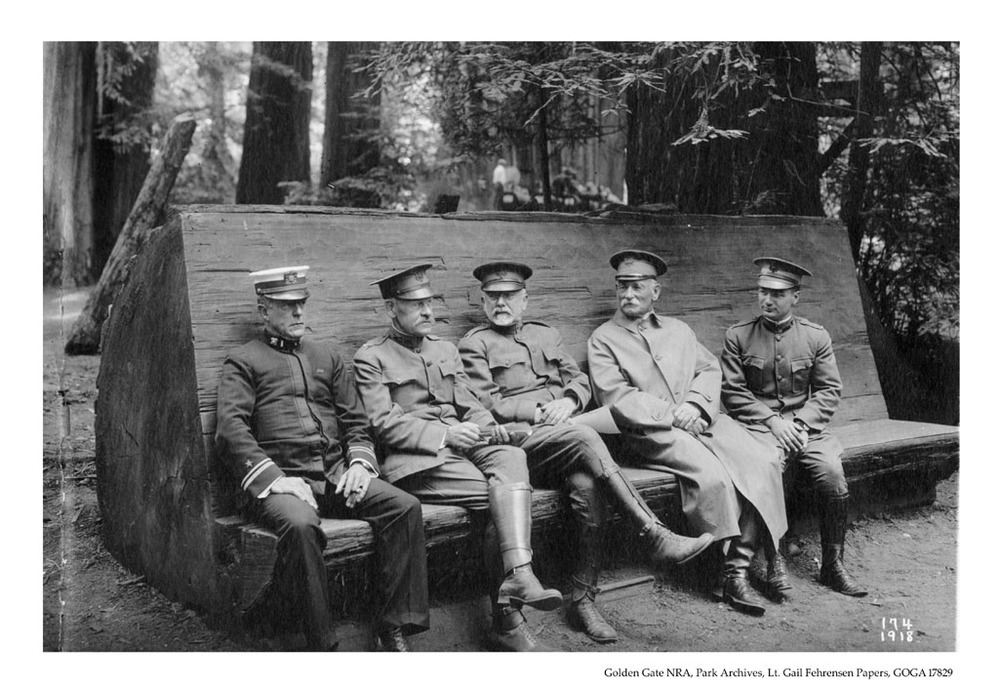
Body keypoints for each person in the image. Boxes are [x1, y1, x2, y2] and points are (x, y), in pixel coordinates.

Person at [458, 262, 713, 643]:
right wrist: (539, 411)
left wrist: (568, 401)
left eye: (509, 296)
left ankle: (583, 600)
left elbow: (577, 379)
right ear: (482, 302)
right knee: (584, 436)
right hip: (517, 445)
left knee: (589, 489)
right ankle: (653, 533)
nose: (500, 303)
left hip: (559, 441)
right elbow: (486, 402)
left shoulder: (546, 334)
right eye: (492, 297)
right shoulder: (474, 344)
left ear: (525, 300)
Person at [215, 266, 430, 652]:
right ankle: (321, 645)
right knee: (300, 527)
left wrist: (359, 465)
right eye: (287, 306)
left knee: (403, 507)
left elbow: (356, 422)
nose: (299, 312)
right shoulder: (244, 361)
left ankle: (393, 627)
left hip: (334, 475)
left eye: (301, 303)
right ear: (264, 310)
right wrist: (276, 480)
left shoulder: (325, 355)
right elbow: (231, 431)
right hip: (281, 484)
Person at [352, 264, 562, 652]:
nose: (428, 311)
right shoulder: (372, 357)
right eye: (416, 304)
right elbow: (383, 425)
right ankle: (508, 618)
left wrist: (490, 427)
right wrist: (445, 434)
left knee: (510, 457)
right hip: (416, 461)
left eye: (430, 302)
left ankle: (521, 576)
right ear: (391, 309)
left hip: (463, 450)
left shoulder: (445, 349)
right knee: (501, 500)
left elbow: (470, 405)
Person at [587, 250, 788, 616]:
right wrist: (674, 415)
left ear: (655, 291)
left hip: (702, 418)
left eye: (636, 287)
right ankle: (724, 573)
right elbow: (616, 397)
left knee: (764, 459)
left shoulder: (679, 330)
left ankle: (742, 564)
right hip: (650, 432)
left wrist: (696, 405)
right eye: (622, 286)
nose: (627, 294)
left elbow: (709, 370)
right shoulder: (604, 338)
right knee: (714, 479)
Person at [721, 257, 867, 599]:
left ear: (795, 297)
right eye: (763, 291)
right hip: (758, 429)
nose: (767, 299)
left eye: (777, 293)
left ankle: (833, 565)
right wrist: (773, 422)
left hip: (806, 430)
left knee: (832, 473)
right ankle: (774, 562)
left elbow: (829, 390)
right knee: (767, 468)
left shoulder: (815, 336)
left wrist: (799, 424)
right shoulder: (738, 335)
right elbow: (732, 392)